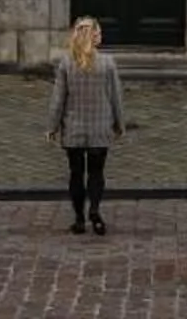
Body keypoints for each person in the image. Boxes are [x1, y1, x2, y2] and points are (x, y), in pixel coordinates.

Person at [45, 15, 125, 235]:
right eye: (99, 32)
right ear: (94, 36)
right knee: (97, 173)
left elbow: (58, 99)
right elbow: (115, 97)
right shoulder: (107, 63)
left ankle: (79, 218)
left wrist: (52, 126)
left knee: (76, 174)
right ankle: (95, 210)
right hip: (100, 128)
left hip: (74, 129)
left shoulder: (66, 63)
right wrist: (119, 124)